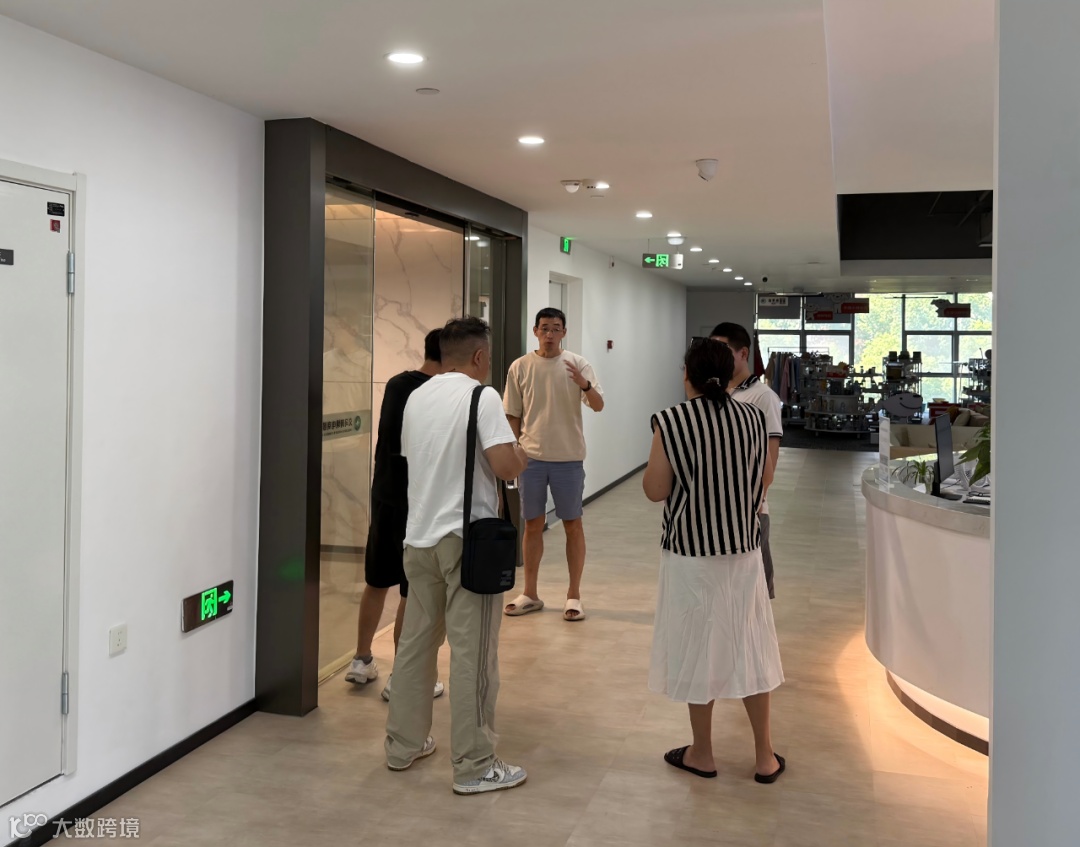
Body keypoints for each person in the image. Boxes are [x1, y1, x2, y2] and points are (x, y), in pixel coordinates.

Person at [385, 316, 529, 795]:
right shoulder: (481, 396)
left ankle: (402, 745)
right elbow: (505, 465)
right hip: (466, 543)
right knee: (474, 654)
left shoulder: (417, 397)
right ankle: (474, 765)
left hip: (419, 539)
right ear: (480, 356)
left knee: (415, 647)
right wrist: (522, 453)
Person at [643, 338, 785, 783]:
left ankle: (702, 753)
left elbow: (655, 490)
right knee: (750, 646)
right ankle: (764, 757)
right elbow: (763, 477)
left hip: (690, 554)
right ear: (728, 375)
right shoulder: (753, 418)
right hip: (742, 550)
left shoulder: (671, 420)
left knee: (697, 647)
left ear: (687, 374)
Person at [346, 329, 447, 700]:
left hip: (384, 498)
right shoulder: (435, 393)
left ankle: (361, 659)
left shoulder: (397, 384)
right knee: (412, 589)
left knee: (376, 581)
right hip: (414, 504)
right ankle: (402, 677)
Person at [502, 308, 604, 622]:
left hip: (568, 459)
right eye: (544, 328)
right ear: (535, 331)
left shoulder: (577, 364)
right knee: (532, 525)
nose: (549, 334)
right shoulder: (520, 366)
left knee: (573, 525)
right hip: (531, 459)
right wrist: (515, 451)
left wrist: (584, 385)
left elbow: (598, 405)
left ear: (564, 332)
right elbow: (512, 414)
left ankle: (574, 595)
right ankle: (530, 593)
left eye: (556, 328)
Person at [710, 322, 783, 599]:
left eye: (723, 350)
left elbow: (770, 459)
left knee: (756, 590)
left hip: (751, 510)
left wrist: (755, 502)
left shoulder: (763, 397)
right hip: (718, 508)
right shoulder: (716, 393)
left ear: (743, 353)